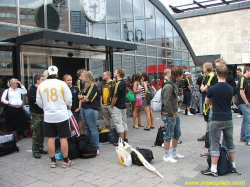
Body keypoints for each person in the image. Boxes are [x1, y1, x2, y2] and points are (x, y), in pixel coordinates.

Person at [201, 64, 236, 176]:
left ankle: (214, 169)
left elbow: (206, 102)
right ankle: (232, 166)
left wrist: (212, 102)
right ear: (226, 74)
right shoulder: (230, 88)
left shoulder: (213, 88)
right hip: (228, 118)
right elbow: (230, 101)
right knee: (230, 144)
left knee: (215, 144)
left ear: (217, 74)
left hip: (216, 117)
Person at [36, 66, 73, 168]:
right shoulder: (62, 84)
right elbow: (69, 99)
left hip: (48, 115)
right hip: (61, 114)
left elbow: (39, 102)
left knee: (50, 138)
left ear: (48, 74)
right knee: (63, 138)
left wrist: (46, 108)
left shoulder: (41, 85)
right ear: (57, 74)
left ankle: (53, 161)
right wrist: (67, 105)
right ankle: (66, 161)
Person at [162, 66, 185, 163]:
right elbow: (166, 101)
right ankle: (166, 155)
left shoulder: (173, 84)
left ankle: (174, 153)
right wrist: (171, 114)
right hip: (169, 114)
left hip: (174, 113)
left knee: (177, 133)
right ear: (178, 75)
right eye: (182, 74)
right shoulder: (169, 86)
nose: (183, 76)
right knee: (168, 134)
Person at [78, 71, 100, 154]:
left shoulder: (93, 86)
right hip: (84, 108)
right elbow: (80, 97)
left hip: (91, 109)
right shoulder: (85, 86)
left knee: (92, 128)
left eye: (83, 76)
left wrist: (82, 97)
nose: (81, 78)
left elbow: (88, 99)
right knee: (87, 128)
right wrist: (82, 97)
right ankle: (89, 144)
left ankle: (96, 147)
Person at [27, 74, 47, 159]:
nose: (43, 81)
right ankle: (35, 150)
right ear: (37, 80)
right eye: (42, 79)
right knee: (37, 132)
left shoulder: (41, 89)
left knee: (42, 131)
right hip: (35, 114)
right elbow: (36, 101)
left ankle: (40, 147)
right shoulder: (32, 90)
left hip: (42, 113)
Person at [111, 68, 128, 143]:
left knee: (118, 123)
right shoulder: (124, 82)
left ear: (118, 74)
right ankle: (126, 138)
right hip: (123, 105)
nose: (114, 73)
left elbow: (115, 96)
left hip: (117, 106)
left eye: (115, 72)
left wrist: (112, 105)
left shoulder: (118, 84)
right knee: (124, 122)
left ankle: (121, 140)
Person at [236, 66, 250, 144]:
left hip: (244, 102)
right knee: (248, 121)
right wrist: (246, 101)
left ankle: (243, 136)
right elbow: (241, 91)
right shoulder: (243, 79)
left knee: (245, 120)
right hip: (243, 103)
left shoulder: (246, 79)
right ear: (247, 71)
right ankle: (248, 139)